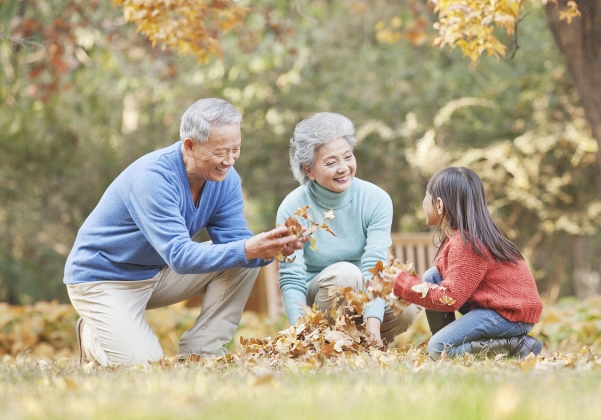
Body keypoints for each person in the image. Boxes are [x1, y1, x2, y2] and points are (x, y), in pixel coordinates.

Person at [64, 98, 306, 366]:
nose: (229, 160)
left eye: (235, 149)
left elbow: (237, 244)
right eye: (220, 152)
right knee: (146, 367)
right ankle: (92, 335)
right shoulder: (153, 178)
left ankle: (202, 352)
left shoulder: (225, 180)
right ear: (190, 146)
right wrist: (249, 248)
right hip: (103, 280)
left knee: (243, 260)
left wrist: (271, 248)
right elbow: (180, 256)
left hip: (156, 273)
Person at [277, 112, 418, 345]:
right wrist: (299, 335)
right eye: (331, 163)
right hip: (319, 296)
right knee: (346, 274)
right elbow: (292, 278)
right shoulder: (292, 208)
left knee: (406, 306)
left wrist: (373, 327)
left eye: (348, 157)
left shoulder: (376, 199)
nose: (344, 168)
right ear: (309, 170)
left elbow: (375, 265)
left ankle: (364, 346)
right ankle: (320, 343)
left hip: (365, 290)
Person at [383, 167, 544, 359]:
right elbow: (442, 286)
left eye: (427, 196)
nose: (424, 202)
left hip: (510, 315)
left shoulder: (467, 244)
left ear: (440, 205)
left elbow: (450, 297)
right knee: (432, 277)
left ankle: (515, 345)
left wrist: (406, 285)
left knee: (437, 348)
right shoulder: (460, 238)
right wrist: (407, 281)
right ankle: (446, 348)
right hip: (495, 306)